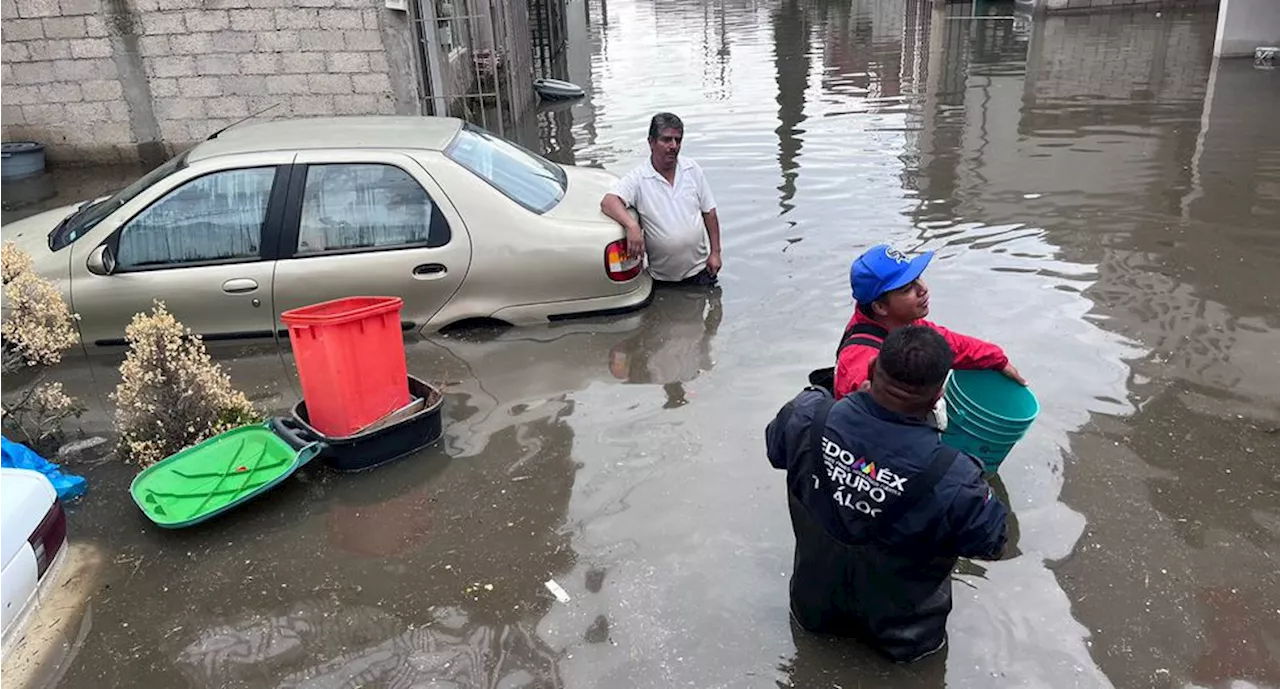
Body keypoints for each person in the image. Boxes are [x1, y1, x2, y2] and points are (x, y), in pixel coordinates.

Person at [766, 325, 1009, 663]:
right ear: (939, 397)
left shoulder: (807, 416)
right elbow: (992, 542)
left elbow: (776, 450)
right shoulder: (956, 479)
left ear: (870, 370)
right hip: (905, 638)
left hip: (813, 611)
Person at [831, 244, 1025, 400]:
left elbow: (948, 343)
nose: (923, 289)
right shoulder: (859, 364)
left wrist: (997, 359)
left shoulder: (899, 324)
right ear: (880, 307)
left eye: (918, 278)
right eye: (907, 288)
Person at [600, 112, 723, 286]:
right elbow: (609, 202)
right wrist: (632, 226)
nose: (673, 146)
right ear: (651, 142)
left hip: (701, 272)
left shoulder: (692, 170)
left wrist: (716, 253)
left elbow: (709, 213)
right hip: (662, 280)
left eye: (677, 140)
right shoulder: (639, 178)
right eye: (666, 140)